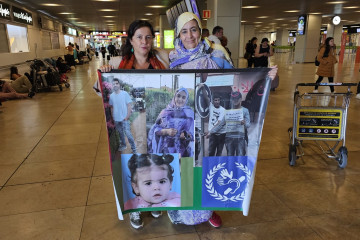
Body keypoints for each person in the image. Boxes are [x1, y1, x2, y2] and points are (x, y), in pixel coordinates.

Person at [98, 20, 169, 230]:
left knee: (153, 160)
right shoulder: (119, 62)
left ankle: (154, 200)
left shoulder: (161, 60)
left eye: (148, 37)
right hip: (131, 121)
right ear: (130, 40)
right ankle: (135, 207)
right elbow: (99, 89)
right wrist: (105, 72)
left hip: (154, 118)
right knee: (133, 162)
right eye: (139, 37)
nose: (144, 42)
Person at [167, 12, 234, 228]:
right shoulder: (173, 60)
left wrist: (266, 76)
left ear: (200, 31)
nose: (189, 36)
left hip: (208, 122)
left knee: (207, 165)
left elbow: (234, 81)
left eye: (193, 30)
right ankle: (183, 208)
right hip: (184, 125)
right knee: (184, 166)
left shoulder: (215, 55)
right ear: (179, 35)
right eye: (184, 31)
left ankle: (208, 209)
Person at [147, 88, 194, 158]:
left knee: (180, 168)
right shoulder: (164, 112)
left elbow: (192, 134)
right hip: (164, 151)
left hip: (183, 153)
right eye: (178, 96)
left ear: (186, 99)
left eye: (183, 97)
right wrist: (165, 131)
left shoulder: (189, 114)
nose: (180, 99)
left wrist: (185, 136)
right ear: (174, 97)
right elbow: (154, 130)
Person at [211, 91, 250, 156]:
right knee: (230, 158)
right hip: (229, 138)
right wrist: (211, 132)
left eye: (237, 98)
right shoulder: (228, 112)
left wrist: (244, 123)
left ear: (240, 99)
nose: (235, 100)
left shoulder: (245, 110)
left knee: (240, 158)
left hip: (240, 138)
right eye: (233, 99)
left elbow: (248, 125)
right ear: (231, 100)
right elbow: (221, 124)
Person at [109, 78, 137, 154]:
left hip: (124, 118)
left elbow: (129, 106)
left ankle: (134, 148)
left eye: (116, 83)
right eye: (113, 84)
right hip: (116, 119)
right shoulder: (111, 96)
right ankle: (123, 145)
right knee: (120, 133)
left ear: (119, 84)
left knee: (128, 133)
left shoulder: (124, 94)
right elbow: (111, 107)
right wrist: (112, 117)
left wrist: (127, 117)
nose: (115, 85)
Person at [201, 88, 226, 157]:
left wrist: (210, 132)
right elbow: (206, 97)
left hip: (221, 135)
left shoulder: (223, 110)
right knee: (211, 152)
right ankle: (210, 166)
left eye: (218, 100)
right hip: (213, 135)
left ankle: (217, 166)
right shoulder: (211, 107)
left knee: (219, 152)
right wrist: (202, 87)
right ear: (213, 101)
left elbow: (219, 123)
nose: (217, 102)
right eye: (215, 100)